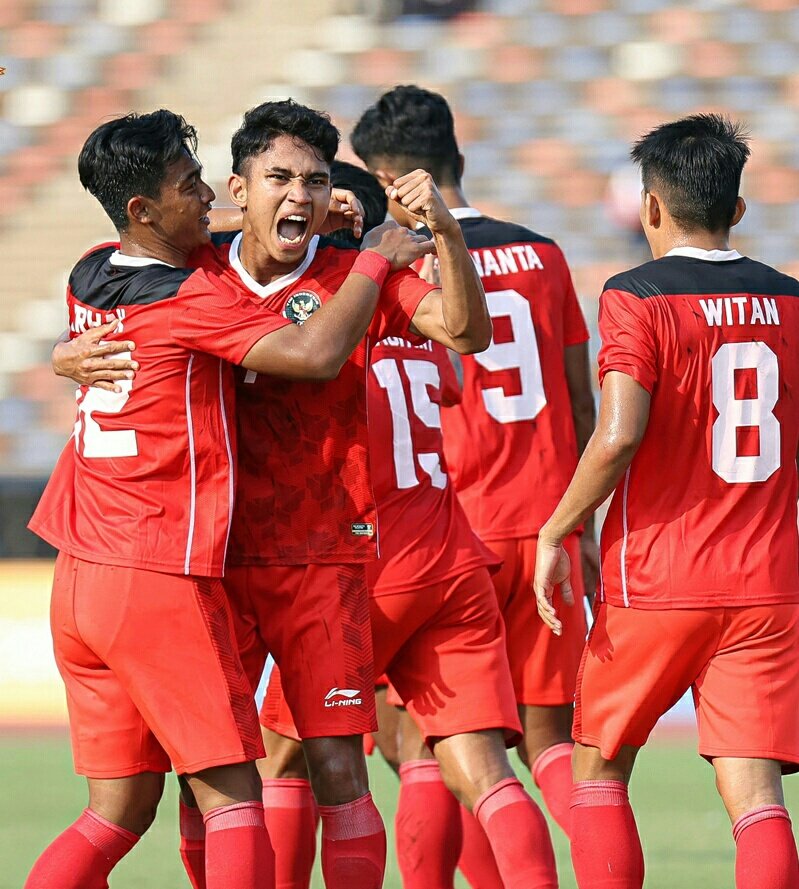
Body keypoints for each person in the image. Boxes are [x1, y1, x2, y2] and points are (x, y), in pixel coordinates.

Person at [58, 99, 490, 889]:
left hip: (318, 551)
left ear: (335, 194)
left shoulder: (347, 271)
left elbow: (463, 332)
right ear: (237, 187)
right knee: (211, 777)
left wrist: (446, 240)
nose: (299, 194)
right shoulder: (192, 265)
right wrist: (65, 354)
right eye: (280, 177)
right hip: (209, 559)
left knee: (335, 766)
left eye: (316, 181)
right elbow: (119, 285)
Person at [259, 161, 559, 889]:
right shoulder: (408, 307)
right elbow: (454, 370)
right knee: (479, 764)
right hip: (449, 556)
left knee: (282, 754)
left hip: (364, 561)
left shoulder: (320, 307)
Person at [534, 114, 799, 889]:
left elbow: (616, 434)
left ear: (649, 207)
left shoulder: (634, 293)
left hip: (658, 576)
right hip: (766, 583)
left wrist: (559, 525)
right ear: (737, 210)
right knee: (755, 797)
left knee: (599, 770)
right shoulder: (789, 300)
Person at [351, 84, 596, 882]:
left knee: (425, 744)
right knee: (548, 741)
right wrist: (581, 523)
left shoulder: (403, 265)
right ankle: (599, 866)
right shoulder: (544, 254)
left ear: (391, 178)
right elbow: (580, 398)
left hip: (442, 531)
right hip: (544, 524)